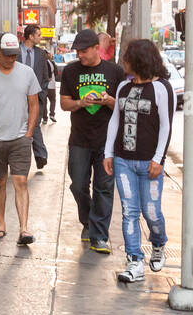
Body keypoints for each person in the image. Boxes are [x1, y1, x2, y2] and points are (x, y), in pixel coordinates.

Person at [104, 40, 177, 283]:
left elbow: (166, 126)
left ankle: (158, 244)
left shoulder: (162, 88)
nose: (124, 61)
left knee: (152, 211)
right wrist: (108, 153)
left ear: (139, 60)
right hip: (124, 161)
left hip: (150, 163)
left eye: (127, 57)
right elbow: (115, 120)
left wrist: (159, 159)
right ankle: (134, 261)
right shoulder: (123, 87)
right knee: (129, 211)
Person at [60, 28, 126, 253]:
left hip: (107, 141)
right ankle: (87, 220)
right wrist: (80, 103)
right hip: (79, 139)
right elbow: (64, 103)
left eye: (84, 51)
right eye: (77, 51)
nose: (80, 55)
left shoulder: (115, 71)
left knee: (104, 187)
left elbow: (124, 105)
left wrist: (108, 101)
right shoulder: (70, 71)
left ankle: (99, 235)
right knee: (78, 185)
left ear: (97, 48)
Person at [0, 33, 42, 245]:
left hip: (20, 137)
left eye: (14, 55)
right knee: (0, 182)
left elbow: (34, 105)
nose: (11, 59)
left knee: (20, 181)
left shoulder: (27, 73)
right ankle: (1, 224)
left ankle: (24, 228)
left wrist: (29, 134)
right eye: (7, 55)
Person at [17, 25, 53, 170]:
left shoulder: (40, 54)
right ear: (30, 36)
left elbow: (45, 76)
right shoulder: (15, 51)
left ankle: (40, 156)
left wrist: (41, 94)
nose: (40, 37)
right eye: (38, 35)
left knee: (35, 124)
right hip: (17, 97)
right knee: (18, 126)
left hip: (36, 97)